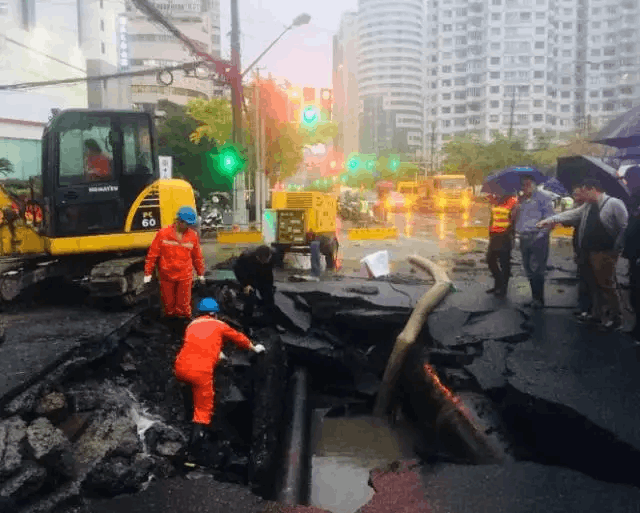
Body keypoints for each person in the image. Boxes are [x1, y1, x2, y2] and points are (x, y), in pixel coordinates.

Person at [174, 297, 265, 451]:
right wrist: (254, 348)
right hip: (200, 372)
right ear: (213, 313)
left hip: (180, 367)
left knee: (189, 389)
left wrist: (218, 354)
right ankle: (194, 449)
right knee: (203, 409)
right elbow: (238, 338)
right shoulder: (219, 325)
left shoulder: (191, 325)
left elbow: (198, 344)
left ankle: (186, 411)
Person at [537, 179, 628, 331]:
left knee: (607, 285)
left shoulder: (614, 204)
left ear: (592, 189)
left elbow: (624, 226)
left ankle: (616, 318)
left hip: (605, 251)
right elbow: (572, 213)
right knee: (594, 284)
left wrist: (617, 248)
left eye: (583, 191)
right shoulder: (588, 205)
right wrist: (550, 220)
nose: (581, 195)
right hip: (589, 251)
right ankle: (596, 314)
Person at [144, 206, 206, 332]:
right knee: (168, 304)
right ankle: (170, 327)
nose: (187, 226)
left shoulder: (192, 236)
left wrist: (200, 274)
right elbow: (153, 254)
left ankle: (184, 326)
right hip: (167, 275)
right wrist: (148, 273)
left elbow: (197, 256)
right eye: (186, 224)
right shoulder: (163, 233)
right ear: (179, 221)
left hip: (185, 275)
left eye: (189, 224)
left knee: (183, 305)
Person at [512, 175, 555, 308]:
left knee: (537, 269)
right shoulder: (521, 199)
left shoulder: (543, 198)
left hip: (537, 237)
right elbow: (514, 219)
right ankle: (534, 298)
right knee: (528, 269)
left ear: (534, 184)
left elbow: (550, 220)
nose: (525, 187)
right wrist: (516, 208)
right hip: (524, 237)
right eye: (523, 185)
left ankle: (539, 299)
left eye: (528, 184)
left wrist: (541, 235)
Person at [486, 193, 518, 298]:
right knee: (490, 259)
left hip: (505, 235)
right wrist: (490, 231)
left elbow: (514, 219)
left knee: (504, 262)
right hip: (494, 235)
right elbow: (492, 217)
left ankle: (503, 288)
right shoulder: (495, 201)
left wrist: (511, 233)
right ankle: (498, 282)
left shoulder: (513, 201)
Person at [232, 245, 275, 320]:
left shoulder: (273, 256)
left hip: (263, 275)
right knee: (250, 297)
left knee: (269, 297)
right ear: (257, 257)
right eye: (262, 260)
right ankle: (247, 320)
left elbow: (269, 273)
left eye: (266, 260)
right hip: (248, 276)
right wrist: (246, 284)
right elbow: (238, 272)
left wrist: (270, 286)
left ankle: (271, 319)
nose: (264, 262)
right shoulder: (245, 257)